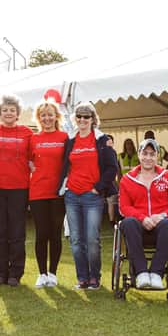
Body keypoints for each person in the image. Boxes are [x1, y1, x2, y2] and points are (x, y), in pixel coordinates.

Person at [59, 102, 118, 290]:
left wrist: (98, 188)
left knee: (92, 239)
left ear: (93, 119)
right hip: (72, 196)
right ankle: (82, 278)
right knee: (76, 239)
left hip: (92, 196)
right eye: (79, 116)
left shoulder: (102, 140)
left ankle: (95, 277)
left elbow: (112, 168)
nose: (82, 120)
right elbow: (63, 165)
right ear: (74, 119)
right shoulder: (70, 140)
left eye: (86, 116)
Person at [118, 139, 168, 289]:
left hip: (161, 226)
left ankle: (156, 273)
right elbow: (124, 207)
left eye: (152, 154)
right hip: (138, 227)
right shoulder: (127, 180)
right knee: (127, 222)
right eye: (145, 153)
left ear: (157, 157)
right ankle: (141, 273)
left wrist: (161, 216)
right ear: (139, 155)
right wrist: (142, 218)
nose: (148, 158)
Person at [0, 94, 33, 287]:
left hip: (19, 187)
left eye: (12, 110)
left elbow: (37, 156)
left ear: (18, 113)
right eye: (5, 110)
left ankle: (15, 273)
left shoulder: (26, 133)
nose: (8, 113)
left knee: (16, 232)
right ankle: (0, 273)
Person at [29, 100, 68, 288]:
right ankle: (42, 273)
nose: (46, 118)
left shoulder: (64, 137)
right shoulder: (33, 139)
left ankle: (53, 273)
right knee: (41, 233)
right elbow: (27, 160)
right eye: (43, 115)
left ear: (56, 116)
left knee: (55, 233)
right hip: (37, 192)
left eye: (50, 114)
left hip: (58, 193)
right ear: (38, 118)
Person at [105, 134, 120, 226]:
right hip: (107, 181)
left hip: (110, 180)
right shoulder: (110, 152)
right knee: (111, 201)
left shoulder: (112, 152)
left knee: (111, 201)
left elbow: (116, 168)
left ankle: (112, 220)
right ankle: (112, 220)